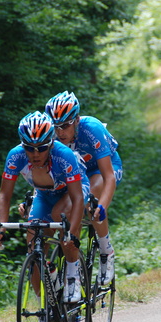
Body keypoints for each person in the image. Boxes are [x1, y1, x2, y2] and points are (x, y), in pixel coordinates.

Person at [0, 111, 89, 305]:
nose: (35, 154)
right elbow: (5, 194)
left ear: (51, 143)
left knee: (61, 216)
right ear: (22, 145)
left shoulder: (64, 155)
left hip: (71, 193)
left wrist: (72, 233)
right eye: (30, 148)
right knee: (33, 249)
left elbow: (78, 198)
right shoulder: (16, 156)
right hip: (44, 195)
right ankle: (45, 313)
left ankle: (72, 274)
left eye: (42, 148)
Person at [45, 91, 122, 286]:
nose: (60, 131)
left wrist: (102, 207)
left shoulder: (91, 128)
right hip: (77, 174)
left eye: (65, 125)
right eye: (56, 127)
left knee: (91, 203)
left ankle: (106, 251)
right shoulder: (51, 137)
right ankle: (73, 263)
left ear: (77, 120)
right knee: (63, 213)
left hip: (102, 167)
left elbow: (108, 176)